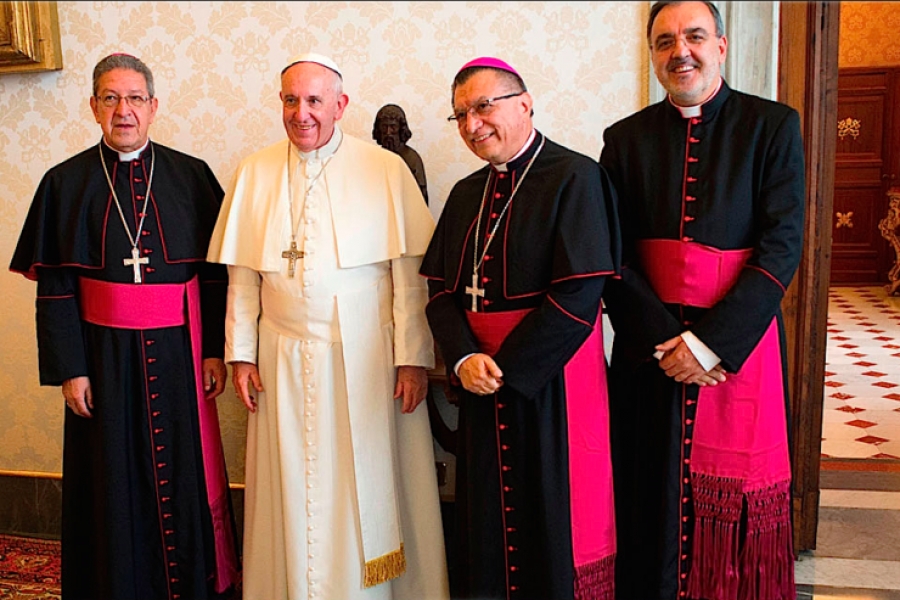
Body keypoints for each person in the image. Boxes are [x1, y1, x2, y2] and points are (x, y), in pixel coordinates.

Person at [206, 52, 449, 600]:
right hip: (281, 358)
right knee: (291, 483)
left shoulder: (384, 170)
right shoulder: (255, 171)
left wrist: (412, 359)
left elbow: (409, 278)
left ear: (340, 105)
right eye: (291, 100)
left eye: (315, 101)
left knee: (361, 485)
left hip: (365, 356)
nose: (302, 114)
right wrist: (241, 354)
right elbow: (242, 277)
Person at [9, 53, 240, 599]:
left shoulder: (191, 176)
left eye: (135, 98)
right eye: (111, 98)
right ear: (93, 107)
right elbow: (56, 286)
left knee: (182, 472)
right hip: (102, 358)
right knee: (109, 479)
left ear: (154, 107)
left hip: (179, 355)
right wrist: (71, 370)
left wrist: (213, 350)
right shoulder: (64, 183)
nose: (124, 110)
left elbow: (214, 277)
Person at [598, 2, 805, 598]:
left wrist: (710, 344)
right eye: (664, 41)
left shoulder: (772, 126)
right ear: (652, 54)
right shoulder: (624, 139)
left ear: (720, 45)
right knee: (647, 491)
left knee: (730, 507)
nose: (679, 51)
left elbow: (782, 245)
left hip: (738, 345)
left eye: (693, 36)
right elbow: (613, 254)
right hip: (651, 353)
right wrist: (667, 342)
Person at [420, 56, 619, 600]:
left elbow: (580, 295)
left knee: (551, 513)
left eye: (484, 106)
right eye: (461, 114)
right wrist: (464, 359)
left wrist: (506, 369)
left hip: (551, 381)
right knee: (487, 518)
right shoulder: (465, 193)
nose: (472, 124)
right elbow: (439, 292)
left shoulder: (576, 177)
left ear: (525, 103)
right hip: (479, 381)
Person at [372, 103, 429, 204]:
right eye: (384, 127)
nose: (388, 132)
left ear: (401, 129)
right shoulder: (374, 158)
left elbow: (420, 198)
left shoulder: (412, 159)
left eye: (393, 127)